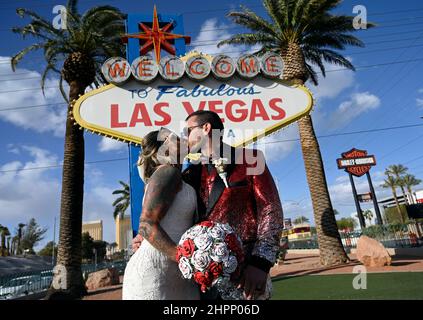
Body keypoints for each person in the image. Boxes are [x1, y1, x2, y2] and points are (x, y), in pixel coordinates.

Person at [181, 110, 284, 300]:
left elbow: (271, 211)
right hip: (202, 282)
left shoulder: (251, 159)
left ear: (206, 128)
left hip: (246, 277)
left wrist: (260, 263)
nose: (184, 137)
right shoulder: (190, 175)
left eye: (188, 131)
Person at [122, 128, 200, 300]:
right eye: (173, 138)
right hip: (155, 274)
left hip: (177, 274)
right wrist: (184, 259)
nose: (180, 140)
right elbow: (146, 224)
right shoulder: (167, 171)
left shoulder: (175, 175)